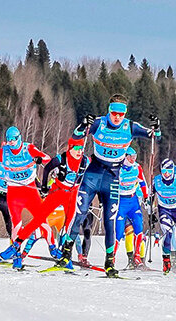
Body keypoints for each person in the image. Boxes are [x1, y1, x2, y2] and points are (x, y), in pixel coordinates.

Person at [56, 94, 160, 277]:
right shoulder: (99, 123)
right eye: (113, 112)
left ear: (125, 113)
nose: (117, 117)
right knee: (79, 213)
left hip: (112, 178)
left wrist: (156, 128)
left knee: (109, 221)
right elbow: (76, 135)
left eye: (121, 113)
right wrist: (82, 125)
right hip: (93, 174)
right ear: (108, 110)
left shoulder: (130, 126)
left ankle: (109, 262)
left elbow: (154, 137)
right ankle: (65, 255)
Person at [5, 136, 90, 268]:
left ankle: (66, 258)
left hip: (71, 196)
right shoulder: (61, 159)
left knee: (70, 228)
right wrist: (44, 186)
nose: (80, 151)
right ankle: (17, 245)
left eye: (81, 148)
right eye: (77, 148)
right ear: (70, 148)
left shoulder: (85, 161)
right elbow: (46, 169)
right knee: (38, 220)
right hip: (58, 192)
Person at [0, 126, 52, 269]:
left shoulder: (29, 149)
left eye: (13, 139)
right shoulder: (4, 153)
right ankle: (17, 257)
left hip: (29, 190)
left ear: (19, 138)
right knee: (15, 225)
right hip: (12, 192)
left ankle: (55, 250)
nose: (11, 143)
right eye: (8, 140)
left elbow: (47, 159)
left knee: (42, 220)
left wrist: (40, 160)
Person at [115, 146, 150, 268]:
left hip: (133, 201)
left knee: (139, 228)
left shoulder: (137, 167)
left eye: (135, 157)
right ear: (125, 157)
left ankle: (137, 257)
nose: (133, 159)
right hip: (121, 202)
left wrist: (146, 197)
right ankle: (111, 258)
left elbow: (142, 183)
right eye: (131, 157)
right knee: (119, 233)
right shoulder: (118, 168)